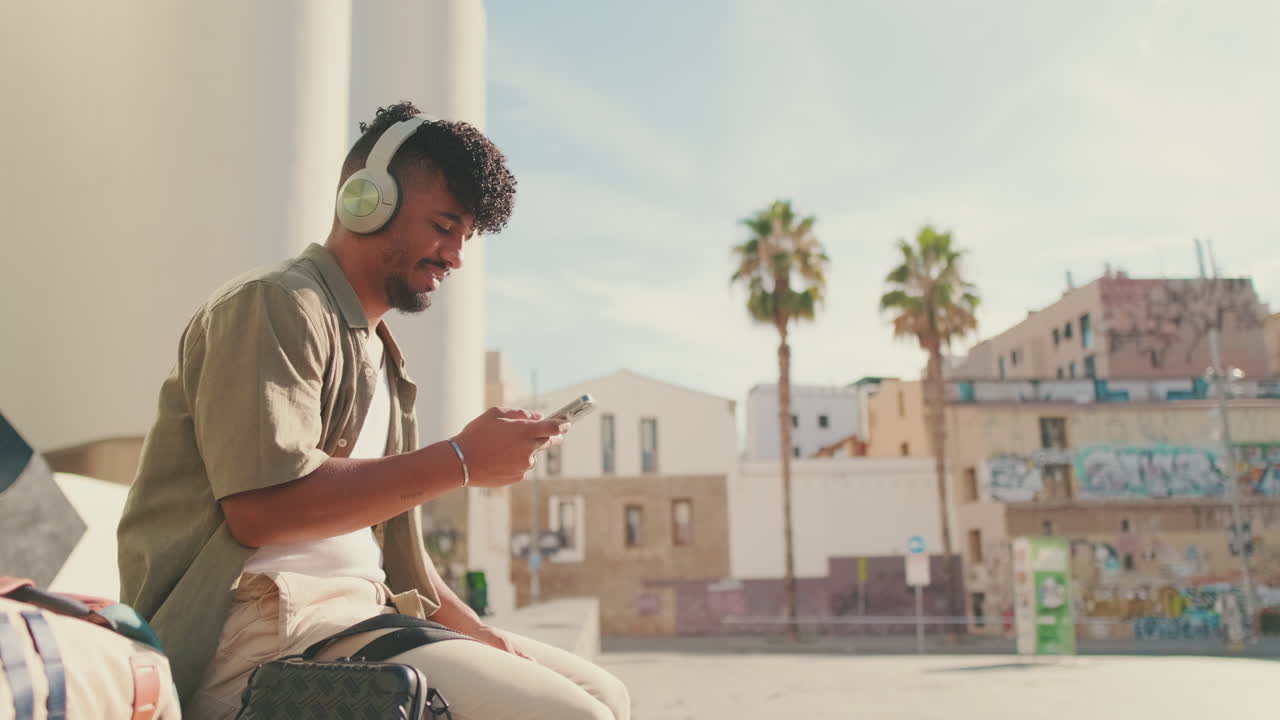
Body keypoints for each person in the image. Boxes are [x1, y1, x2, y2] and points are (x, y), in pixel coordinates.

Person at [117, 101, 631, 720]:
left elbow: (399, 562)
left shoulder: (383, 358)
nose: (455, 256)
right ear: (368, 200)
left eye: (464, 238)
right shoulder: (275, 305)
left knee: (606, 695)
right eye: (443, 226)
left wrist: (483, 636)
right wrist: (462, 460)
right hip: (258, 632)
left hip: (358, 617)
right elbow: (259, 510)